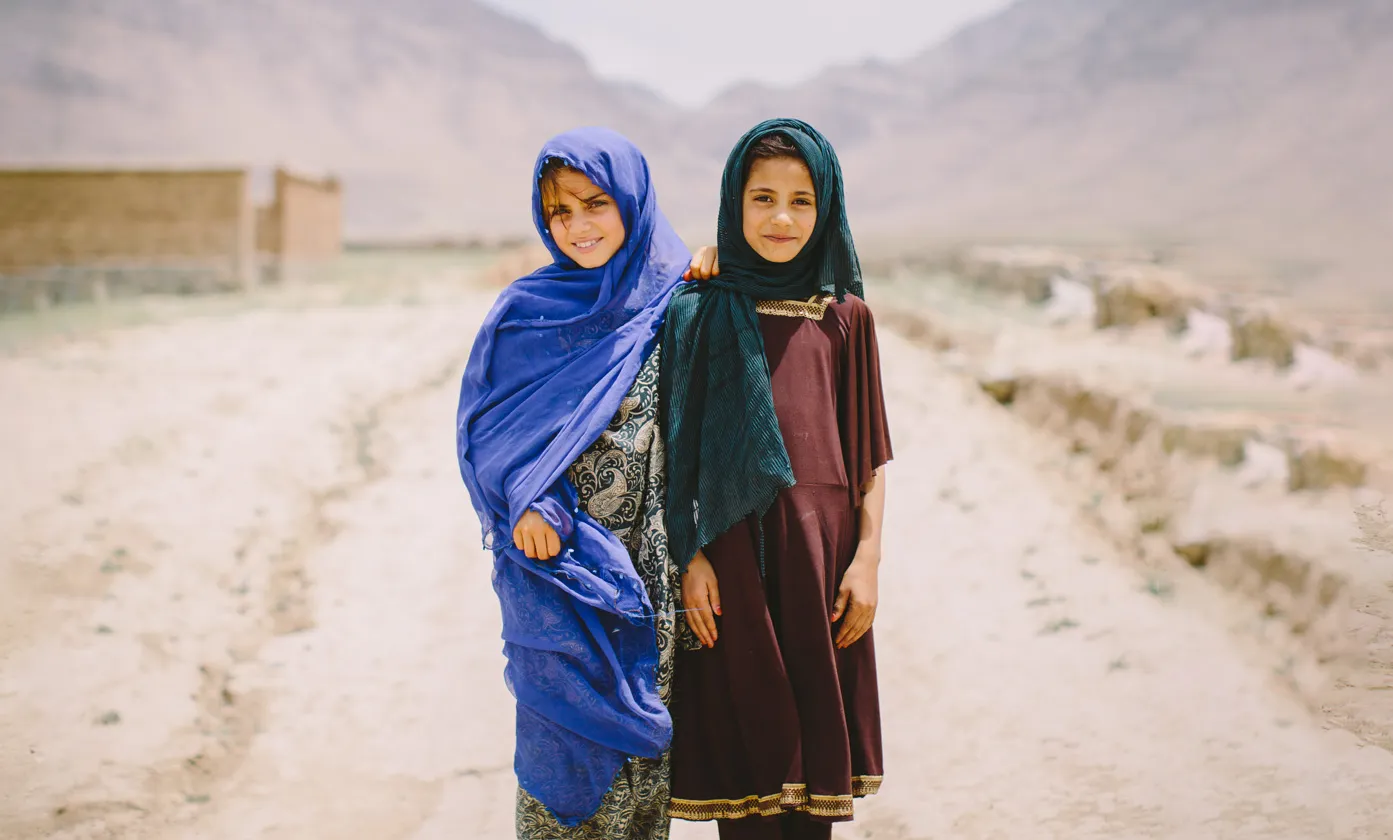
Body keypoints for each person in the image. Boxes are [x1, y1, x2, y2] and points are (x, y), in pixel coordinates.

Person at [455, 126, 691, 839]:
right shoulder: (524, 313)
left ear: (632, 203)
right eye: (560, 212)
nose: (577, 226)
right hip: (555, 572)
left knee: (641, 773)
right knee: (559, 758)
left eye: (595, 204)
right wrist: (533, 499)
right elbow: (486, 434)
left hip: (652, 574)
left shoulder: (677, 303)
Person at [661, 118, 892, 839]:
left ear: (827, 207)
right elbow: (675, 451)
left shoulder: (846, 318)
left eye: (801, 199)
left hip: (823, 568)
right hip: (732, 567)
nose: (781, 217)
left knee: (810, 797)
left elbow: (868, 456)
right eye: (761, 199)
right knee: (749, 786)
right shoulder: (698, 311)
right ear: (734, 204)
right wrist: (689, 558)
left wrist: (868, 559)